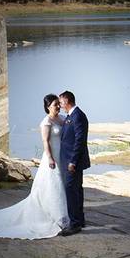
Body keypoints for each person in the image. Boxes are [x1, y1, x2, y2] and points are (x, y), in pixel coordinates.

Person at [0, 94, 69, 239]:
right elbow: (45, 142)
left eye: (58, 104)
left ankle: (63, 214)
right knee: (54, 185)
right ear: (48, 107)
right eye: (55, 104)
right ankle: (56, 217)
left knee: (61, 185)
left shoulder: (60, 119)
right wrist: (50, 159)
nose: (58, 107)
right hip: (52, 157)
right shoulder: (46, 122)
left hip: (62, 156)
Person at [58, 90, 90, 236]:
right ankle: (80, 219)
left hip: (73, 162)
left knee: (71, 190)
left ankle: (74, 224)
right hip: (68, 160)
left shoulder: (78, 116)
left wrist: (72, 162)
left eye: (61, 102)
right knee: (76, 189)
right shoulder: (70, 116)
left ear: (67, 101)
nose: (60, 105)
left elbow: (79, 141)